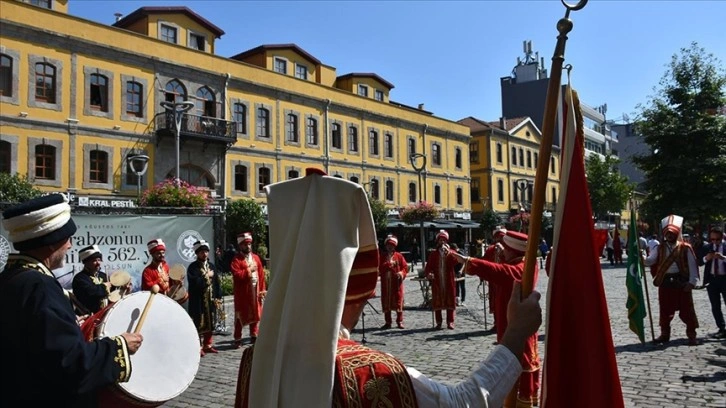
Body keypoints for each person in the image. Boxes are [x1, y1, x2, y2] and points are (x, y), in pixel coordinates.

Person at [234, 169, 543, 408]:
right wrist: (517, 334)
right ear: (354, 286)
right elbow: (462, 402)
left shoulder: (255, 361)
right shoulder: (371, 371)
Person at [0, 194, 143, 407]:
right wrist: (118, 346)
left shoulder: (11, 278)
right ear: (51, 242)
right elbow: (68, 364)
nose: (70, 245)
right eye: (67, 238)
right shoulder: (39, 286)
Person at [450, 230, 541, 408]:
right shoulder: (520, 262)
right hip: (509, 320)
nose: (502, 252)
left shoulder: (524, 267)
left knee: (521, 358)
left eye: (505, 249)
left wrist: (470, 262)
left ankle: (520, 400)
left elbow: (503, 272)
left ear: (513, 251)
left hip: (518, 323)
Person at [644, 215, 700, 346]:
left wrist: (692, 282)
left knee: (687, 310)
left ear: (676, 233)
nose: (669, 236)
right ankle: (665, 334)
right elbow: (650, 260)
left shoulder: (685, 247)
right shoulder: (660, 248)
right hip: (665, 283)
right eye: (667, 233)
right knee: (665, 310)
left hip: (681, 283)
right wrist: (641, 256)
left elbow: (693, 266)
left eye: (671, 233)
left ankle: (692, 335)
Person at [230, 232, 266, 348]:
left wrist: (262, 289)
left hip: (255, 290)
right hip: (243, 292)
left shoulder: (256, 258)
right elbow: (237, 275)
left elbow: (261, 274)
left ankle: (254, 334)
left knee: (255, 312)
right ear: (240, 246)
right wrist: (249, 270)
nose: (248, 247)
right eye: (245, 245)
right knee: (240, 314)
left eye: (249, 244)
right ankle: (237, 337)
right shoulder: (236, 260)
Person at [187, 239, 222, 356]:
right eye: (201, 252)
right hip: (198, 301)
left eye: (206, 251)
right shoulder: (192, 268)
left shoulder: (211, 266)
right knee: (198, 323)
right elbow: (195, 284)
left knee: (210, 322)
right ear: (197, 253)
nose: (204, 254)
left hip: (210, 300)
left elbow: (216, 282)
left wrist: (218, 296)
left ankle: (208, 344)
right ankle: (199, 346)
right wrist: (207, 276)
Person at [424, 229, 458, 329]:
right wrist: (429, 273)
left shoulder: (451, 252)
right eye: (440, 240)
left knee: (450, 300)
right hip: (437, 281)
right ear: (437, 241)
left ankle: (450, 321)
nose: (442, 242)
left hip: (448, 281)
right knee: (437, 301)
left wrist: (449, 253)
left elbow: (456, 262)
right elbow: (428, 267)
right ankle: (439, 322)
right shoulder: (433, 254)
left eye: (444, 240)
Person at [698, 226, 726, 339]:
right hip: (712, 280)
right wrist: (706, 258)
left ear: (722, 237)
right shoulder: (707, 247)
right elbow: (699, 262)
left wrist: (723, 258)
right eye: (712, 239)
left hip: (724, 278)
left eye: (717, 239)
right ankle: (722, 329)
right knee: (715, 305)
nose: (715, 242)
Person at [379, 234, 409, 329]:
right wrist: (388, 264)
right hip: (386, 283)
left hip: (396, 284)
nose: (389, 246)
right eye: (388, 245)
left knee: (398, 301)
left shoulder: (399, 256)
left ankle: (399, 321)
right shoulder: (382, 256)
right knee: (386, 301)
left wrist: (401, 273)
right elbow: (380, 267)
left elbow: (405, 267)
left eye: (391, 245)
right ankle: (388, 322)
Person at [72, 244, 111, 314]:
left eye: (99, 260)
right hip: (88, 317)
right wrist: (105, 287)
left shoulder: (103, 276)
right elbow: (91, 292)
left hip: (105, 315)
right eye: (94, 260)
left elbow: (112, 293)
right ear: (86, 262)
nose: (98, 263)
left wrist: (123, 289)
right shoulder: (80, 278)